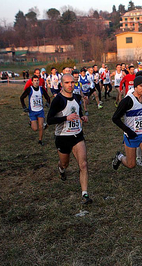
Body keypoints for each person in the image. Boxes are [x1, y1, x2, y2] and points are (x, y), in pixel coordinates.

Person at [47, 74, 93, 204]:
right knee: (65, 163)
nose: (70, 85)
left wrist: (82, 117)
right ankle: (61, 169)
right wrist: (65, 118)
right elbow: (49, 120)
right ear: (62, 84)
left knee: (83, 164)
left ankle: (85, 194)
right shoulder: (58, 100)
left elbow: (77, 112)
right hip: (62, 137)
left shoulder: (77, 97)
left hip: (77, 135)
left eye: (72, 82)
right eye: (67, 82)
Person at [111, 76, 142, 195]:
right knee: (131, 164)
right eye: (141, 86)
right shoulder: (127, 101)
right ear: (135, 87)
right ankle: (120, 157)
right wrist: (128, 130)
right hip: (131, 136)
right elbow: (115, 118)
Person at [20, 75, 51, 145]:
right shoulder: (29, 89)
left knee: (41, 126)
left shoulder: (41, 89)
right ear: (32, 82)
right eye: (35, 81)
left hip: (40, 111)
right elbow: (21, 98)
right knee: (35, 128)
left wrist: (48, 103)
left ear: (39, 81)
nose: (36, 82)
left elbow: (48, 97)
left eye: (37, 80)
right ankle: (31, 122)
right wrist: (24, 107)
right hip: (32, 111)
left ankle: (40, 140)